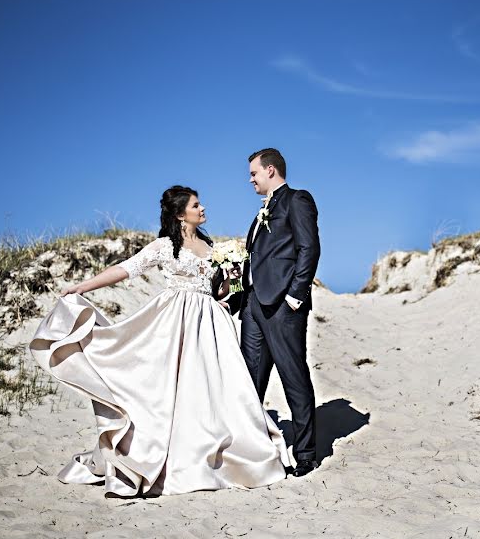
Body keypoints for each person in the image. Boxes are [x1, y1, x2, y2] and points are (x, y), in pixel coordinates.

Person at [29, 185, 290, 498]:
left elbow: (221, 292)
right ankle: (164, 457)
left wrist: (233, 277)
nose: (203, 207)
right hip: (175, 320)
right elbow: (125, 270)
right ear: (181, 215)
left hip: (210, 323)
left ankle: (221, 454)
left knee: (217, 389)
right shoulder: (165, 246)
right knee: (167, 389)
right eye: (196, 204)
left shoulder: (211, 246)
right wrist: (83, 287)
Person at [239, 148, 321, 477]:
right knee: (248, 381)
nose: (250, 179)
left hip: (284, 307)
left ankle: (306, 454)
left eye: (254, 173)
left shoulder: (297, 200)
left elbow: (309, 248)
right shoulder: (260, 212)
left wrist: (295, 297)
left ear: (270, 170)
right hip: (254, 306)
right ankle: (251, 451)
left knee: (293, 378)